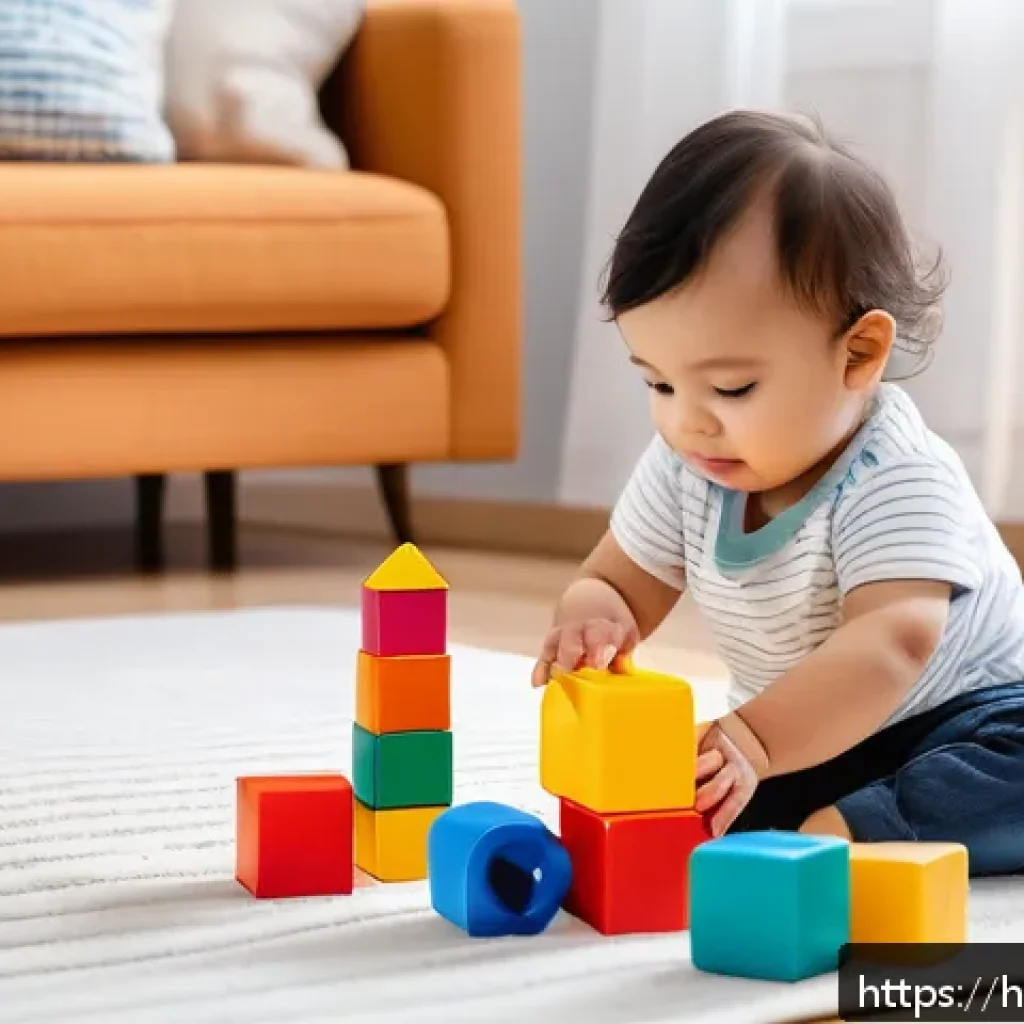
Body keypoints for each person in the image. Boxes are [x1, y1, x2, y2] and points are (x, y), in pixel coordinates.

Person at [531, 110, 1024, 876]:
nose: (686, 420)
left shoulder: (898, 472)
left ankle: (869, 827)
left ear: (858, 355)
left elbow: (893, 642)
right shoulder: (687, 463)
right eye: (657, 380)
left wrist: (754, 740)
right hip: (806, 737)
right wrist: (591, 620)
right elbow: (616, 580)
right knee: (701, 796)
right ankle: (835, 819)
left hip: (961, 722)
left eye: (731, 386)